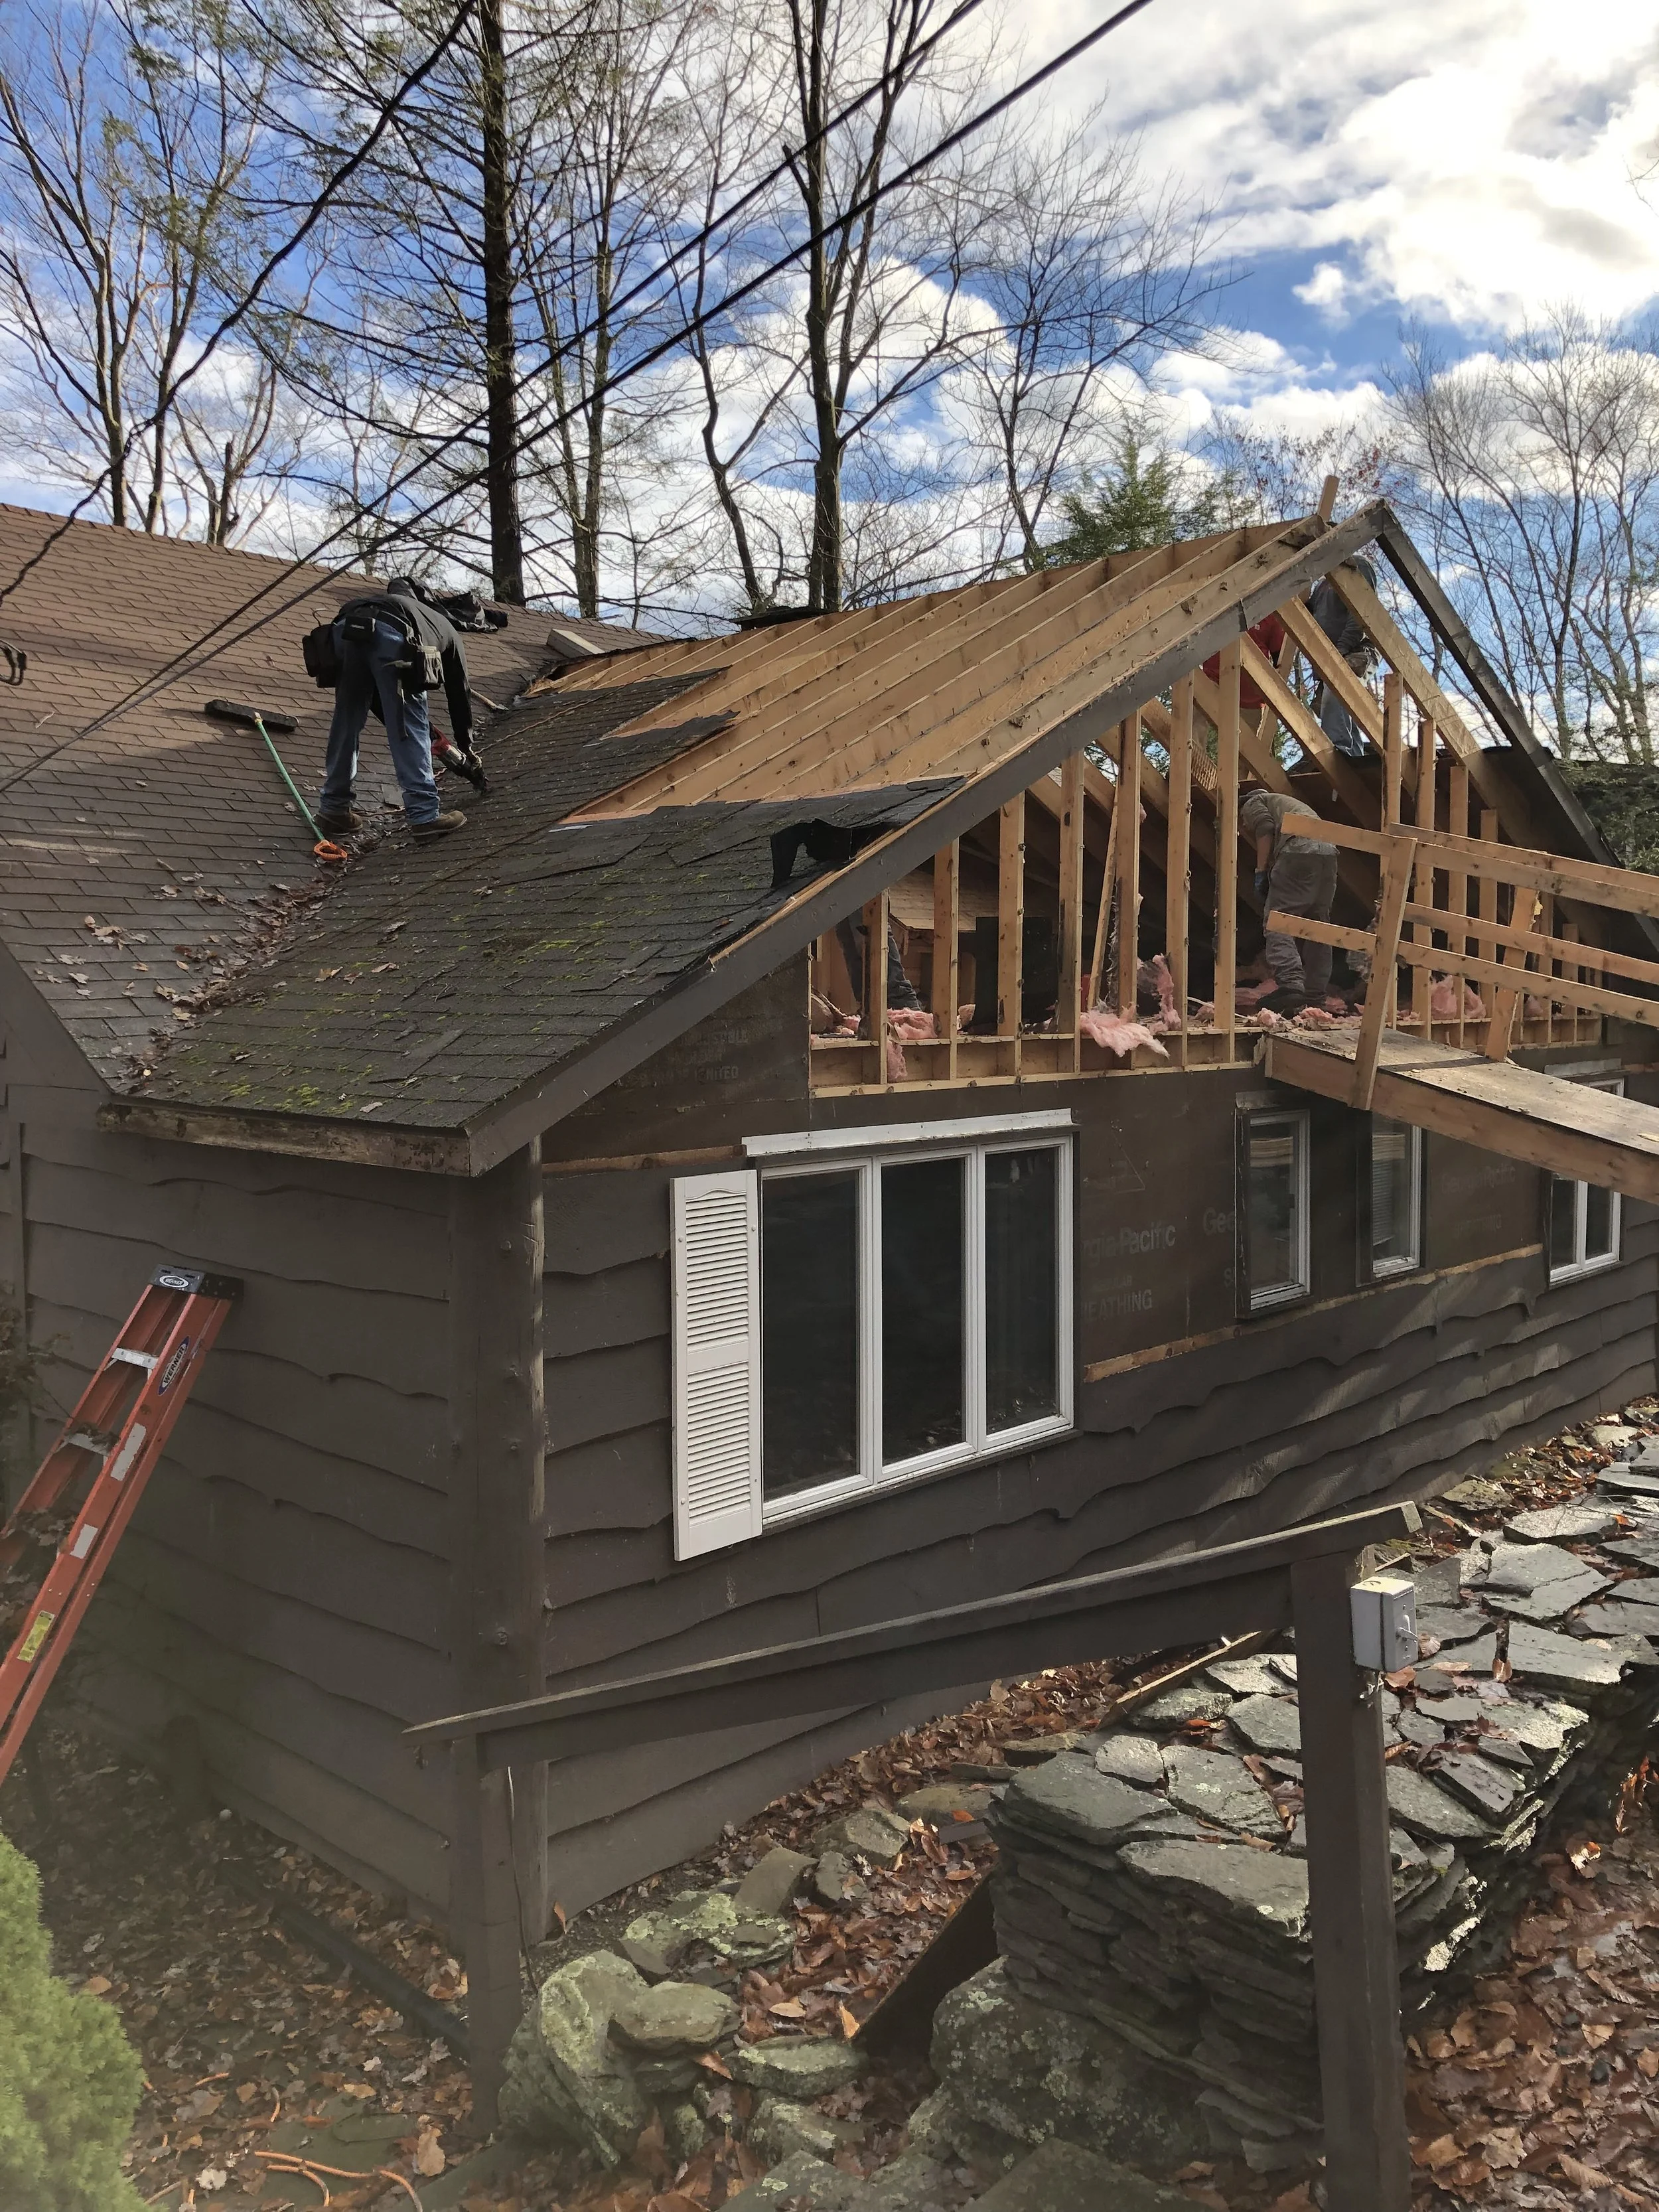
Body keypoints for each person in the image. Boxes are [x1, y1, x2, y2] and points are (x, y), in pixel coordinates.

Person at [317, 577, 477, 841]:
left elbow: (378, 701)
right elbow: (459, 693)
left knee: (347, 721)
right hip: (392, 634)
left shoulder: (391, 603)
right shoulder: (446, 628)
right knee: (408, 724)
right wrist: (466, 744)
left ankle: (334, 809)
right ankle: (425, 815)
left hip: (345, 629)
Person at [1239, 787, 1338, 1014]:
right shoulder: (1289, 804)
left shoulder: (1254, 801)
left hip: (1299, 848)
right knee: (1317, 927)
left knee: (1277, 921)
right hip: (1329, 853)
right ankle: (1315, 998)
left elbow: (1264, 827)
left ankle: (1291, 982)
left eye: (1243, 821)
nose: (1245, 825)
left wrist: (1260, 871)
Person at [1306, 556, 1378, 758]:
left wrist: (1341, 650)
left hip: (1357, 649)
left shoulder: (1356, 566)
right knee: (1340, 706)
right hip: (1330, 656)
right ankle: (1352, 753)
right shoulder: (1322, 584)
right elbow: (1310, 616)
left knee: (1337, 688)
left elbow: (1362, 613)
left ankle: (1339, 750)